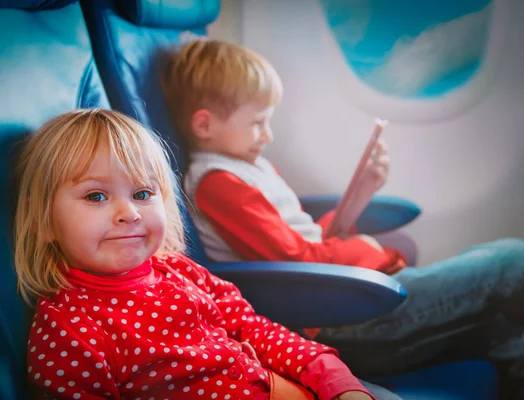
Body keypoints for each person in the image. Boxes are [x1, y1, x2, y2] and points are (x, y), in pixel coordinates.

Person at [161, 37, 524, 393]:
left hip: (342, 297)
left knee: (504, 327)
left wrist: (360, 192)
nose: (267, 135)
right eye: (258, 123)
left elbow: (305, 242)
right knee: (511, 260)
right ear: (204, 126)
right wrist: (361, 249)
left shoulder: (246, 167)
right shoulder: (219, 185)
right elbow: (296, 260)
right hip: (337, 317)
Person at [15, 109, 402, 399]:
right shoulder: (69, 329)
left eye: (142, 194)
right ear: (45, 221)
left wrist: (333, 378)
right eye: (96, 196)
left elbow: (254, 330)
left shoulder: (180, 270)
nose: (130, 212)